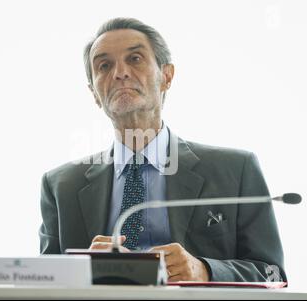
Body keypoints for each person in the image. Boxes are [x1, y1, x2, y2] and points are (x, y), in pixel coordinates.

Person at [39, 17, 286, 282]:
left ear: (166, 76)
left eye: (134, 59)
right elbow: (43, 282)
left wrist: (204, 270)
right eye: (104, 65)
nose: (119, 72)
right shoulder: (60, 185)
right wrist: (80, 272)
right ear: (94, 93)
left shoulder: (237, 169)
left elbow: (273, 274)